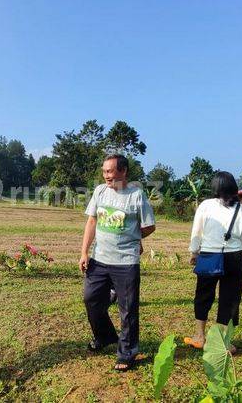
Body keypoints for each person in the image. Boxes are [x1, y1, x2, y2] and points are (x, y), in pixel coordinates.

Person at [80, 153, 156, 371]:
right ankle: (104, 336)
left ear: (123, 171)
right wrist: (84, 252)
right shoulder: (100, 192)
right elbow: (92, 221)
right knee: (91, 298)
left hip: (126, 261)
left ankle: (127, 354)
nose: (106, 176)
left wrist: (136, 237)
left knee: (128, 309)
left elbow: (150, 225)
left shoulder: (136, 196)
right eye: (104, 171)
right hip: (100, 259)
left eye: (110, 171)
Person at [184, 171, 242, 354]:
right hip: (234, 259)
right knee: (230, 300)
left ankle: (199, 337)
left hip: (209, 256)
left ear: (215, 188)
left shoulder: (206, 205)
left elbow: (196, 232)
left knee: (203, 296)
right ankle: (223, 342)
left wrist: (194, 252)